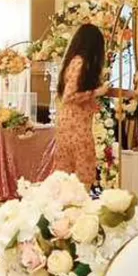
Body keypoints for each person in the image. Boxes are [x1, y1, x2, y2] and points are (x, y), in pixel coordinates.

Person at [56, 21, 107, 189]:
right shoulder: (80, 63)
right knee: (82, 173)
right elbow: (69, 96)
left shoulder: (73, 61)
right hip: (76, 127)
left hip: (69, 124)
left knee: (68, 175)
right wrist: (96, 93)